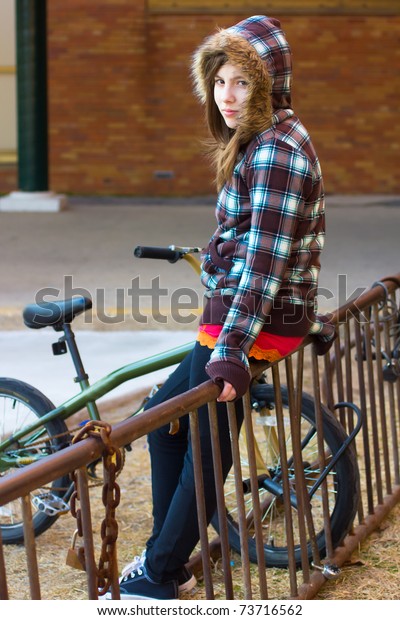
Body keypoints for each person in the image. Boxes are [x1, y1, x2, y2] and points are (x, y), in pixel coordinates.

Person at [106, 15, 335, 600]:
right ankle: (167, 556)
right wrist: (217, 253)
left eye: (241, 84)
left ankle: (157, 577)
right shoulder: (267, 140)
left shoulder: (278, 152)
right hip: (247, 310)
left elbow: (264, 262)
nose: (227, 97)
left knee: (203, 439)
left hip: (253, 320)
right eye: (218, 82)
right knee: (164, 423)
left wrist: (229, 351)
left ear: (269, 85)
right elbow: (250, 236)